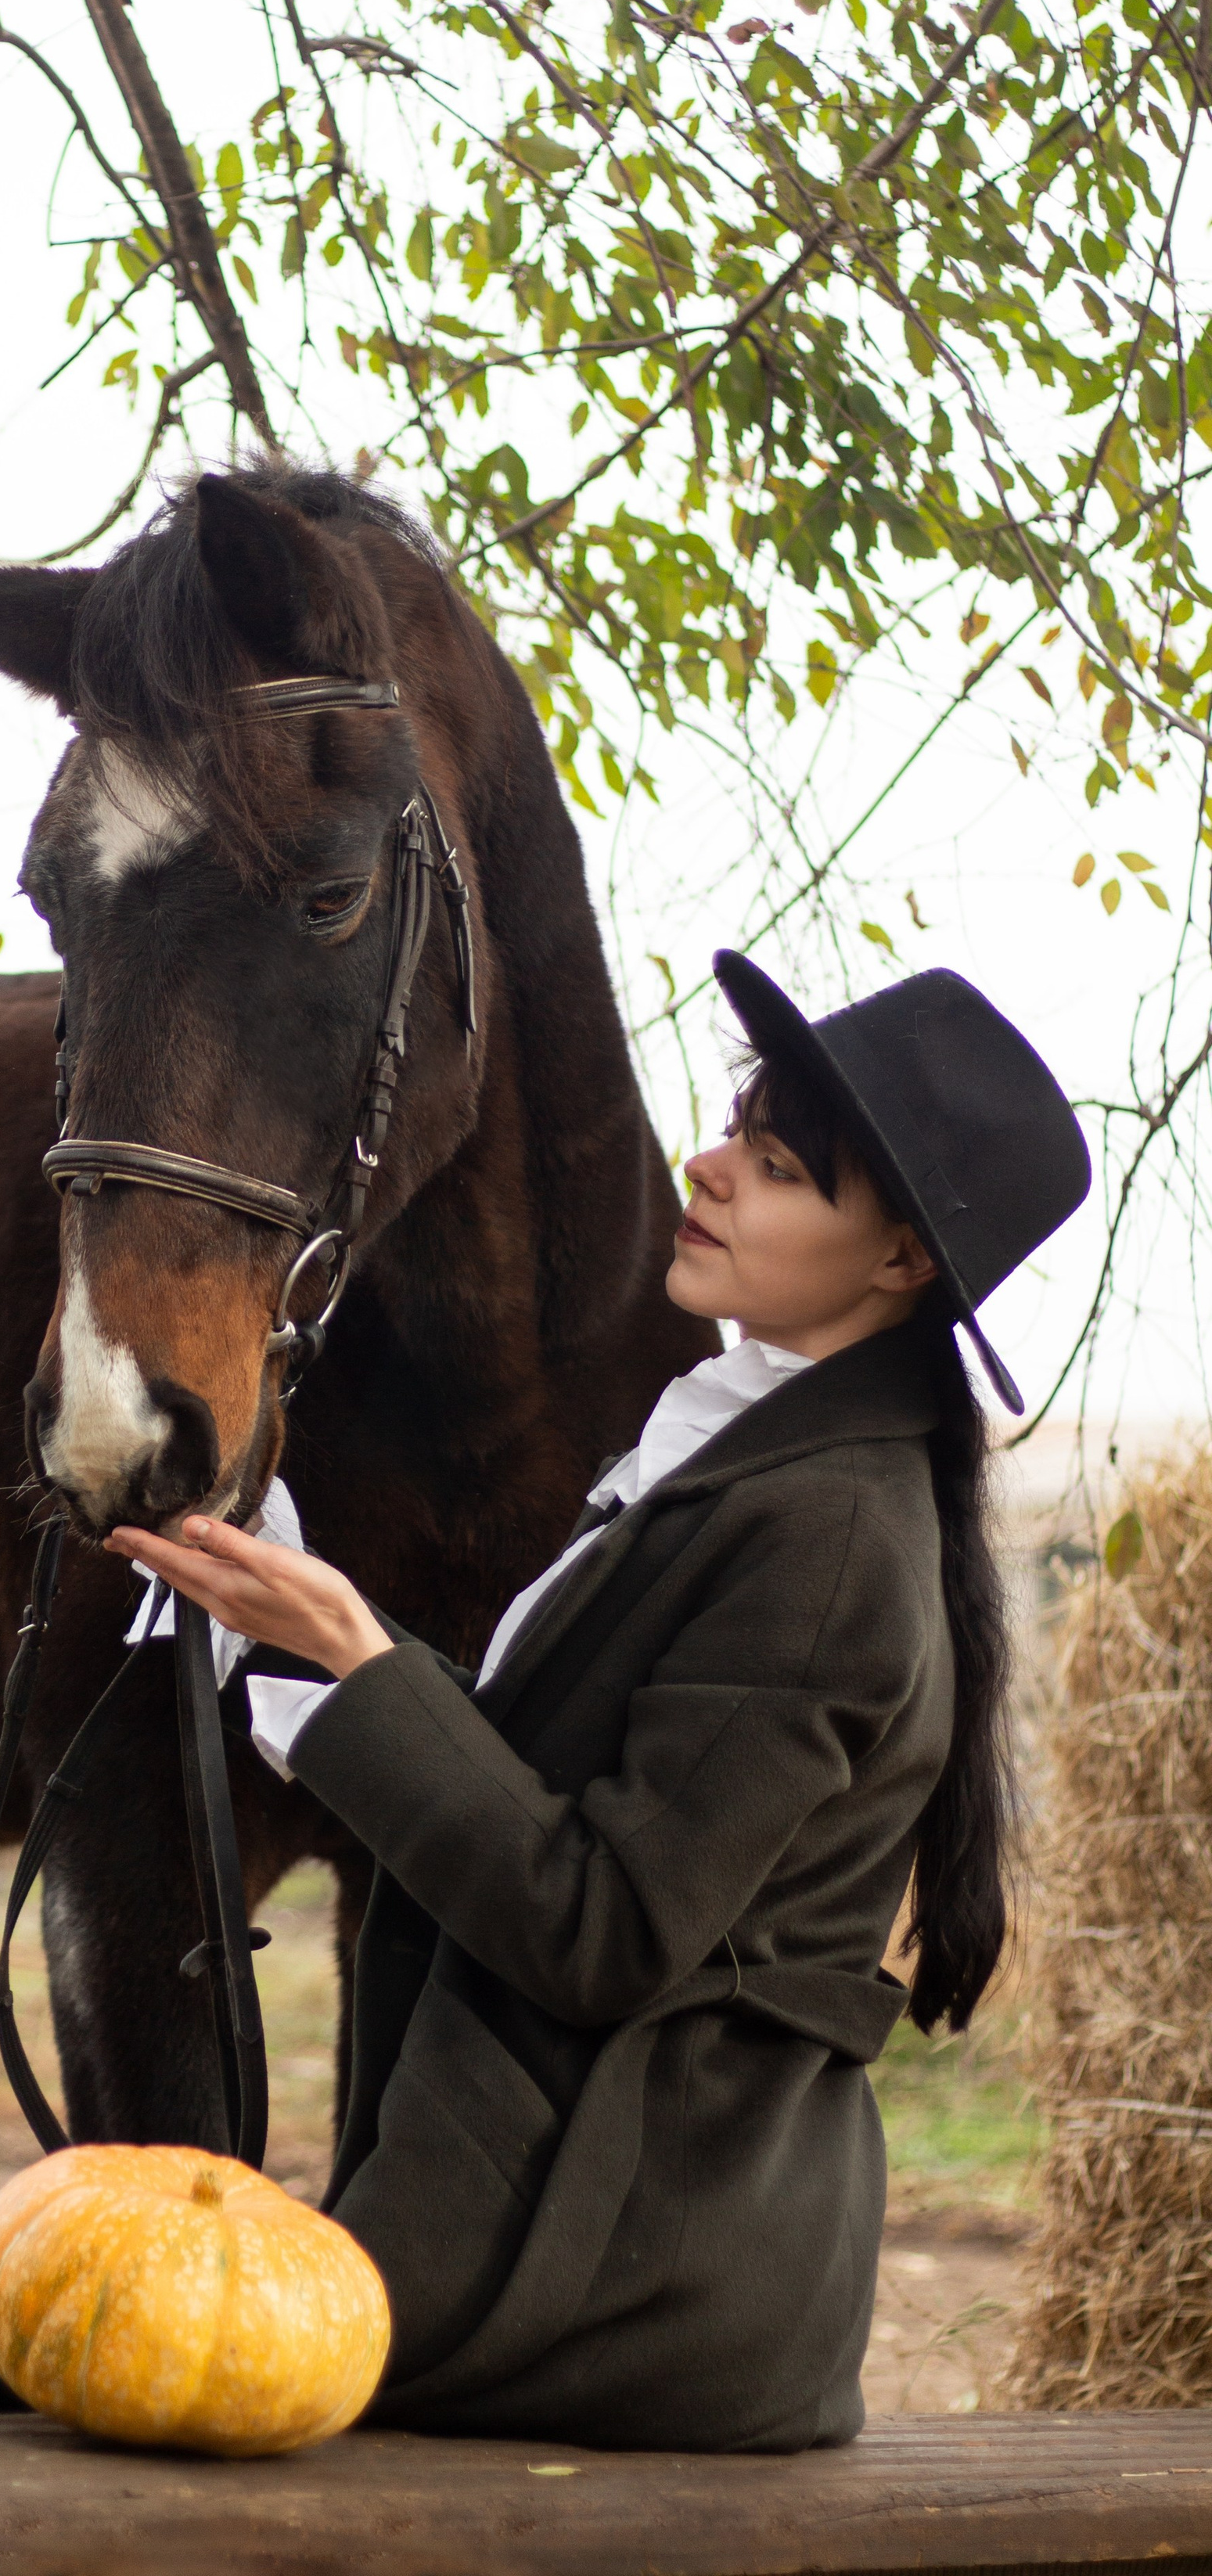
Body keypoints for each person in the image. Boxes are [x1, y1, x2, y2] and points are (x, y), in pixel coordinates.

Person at [106, 952, 1090, 2452]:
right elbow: (561, 1789)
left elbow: (604, 1927)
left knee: (52, 2371)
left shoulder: (826, 1538)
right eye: (736, 1132)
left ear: (897, 1263)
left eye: (774, 1168)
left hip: (624, 2282)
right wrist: (306, 1635)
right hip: (605, 2228)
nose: (706, 1167)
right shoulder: (772, 1456)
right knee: (51, 2348)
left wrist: (364, 1671)